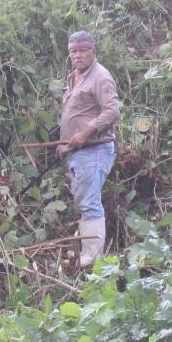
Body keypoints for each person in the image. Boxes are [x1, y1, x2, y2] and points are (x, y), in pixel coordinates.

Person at [58, 30, 118, 267]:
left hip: (95, 149)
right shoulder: (74, 77)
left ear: (93, 51)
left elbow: (112, 111)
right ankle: (88, 253)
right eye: (74, 51)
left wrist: (85, 133)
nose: (78, 55)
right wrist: (64, 144)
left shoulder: (101, 77)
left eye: (83, 50)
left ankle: (93, 257)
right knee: (83, 200)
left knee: (89, 201)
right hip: (77, 152)